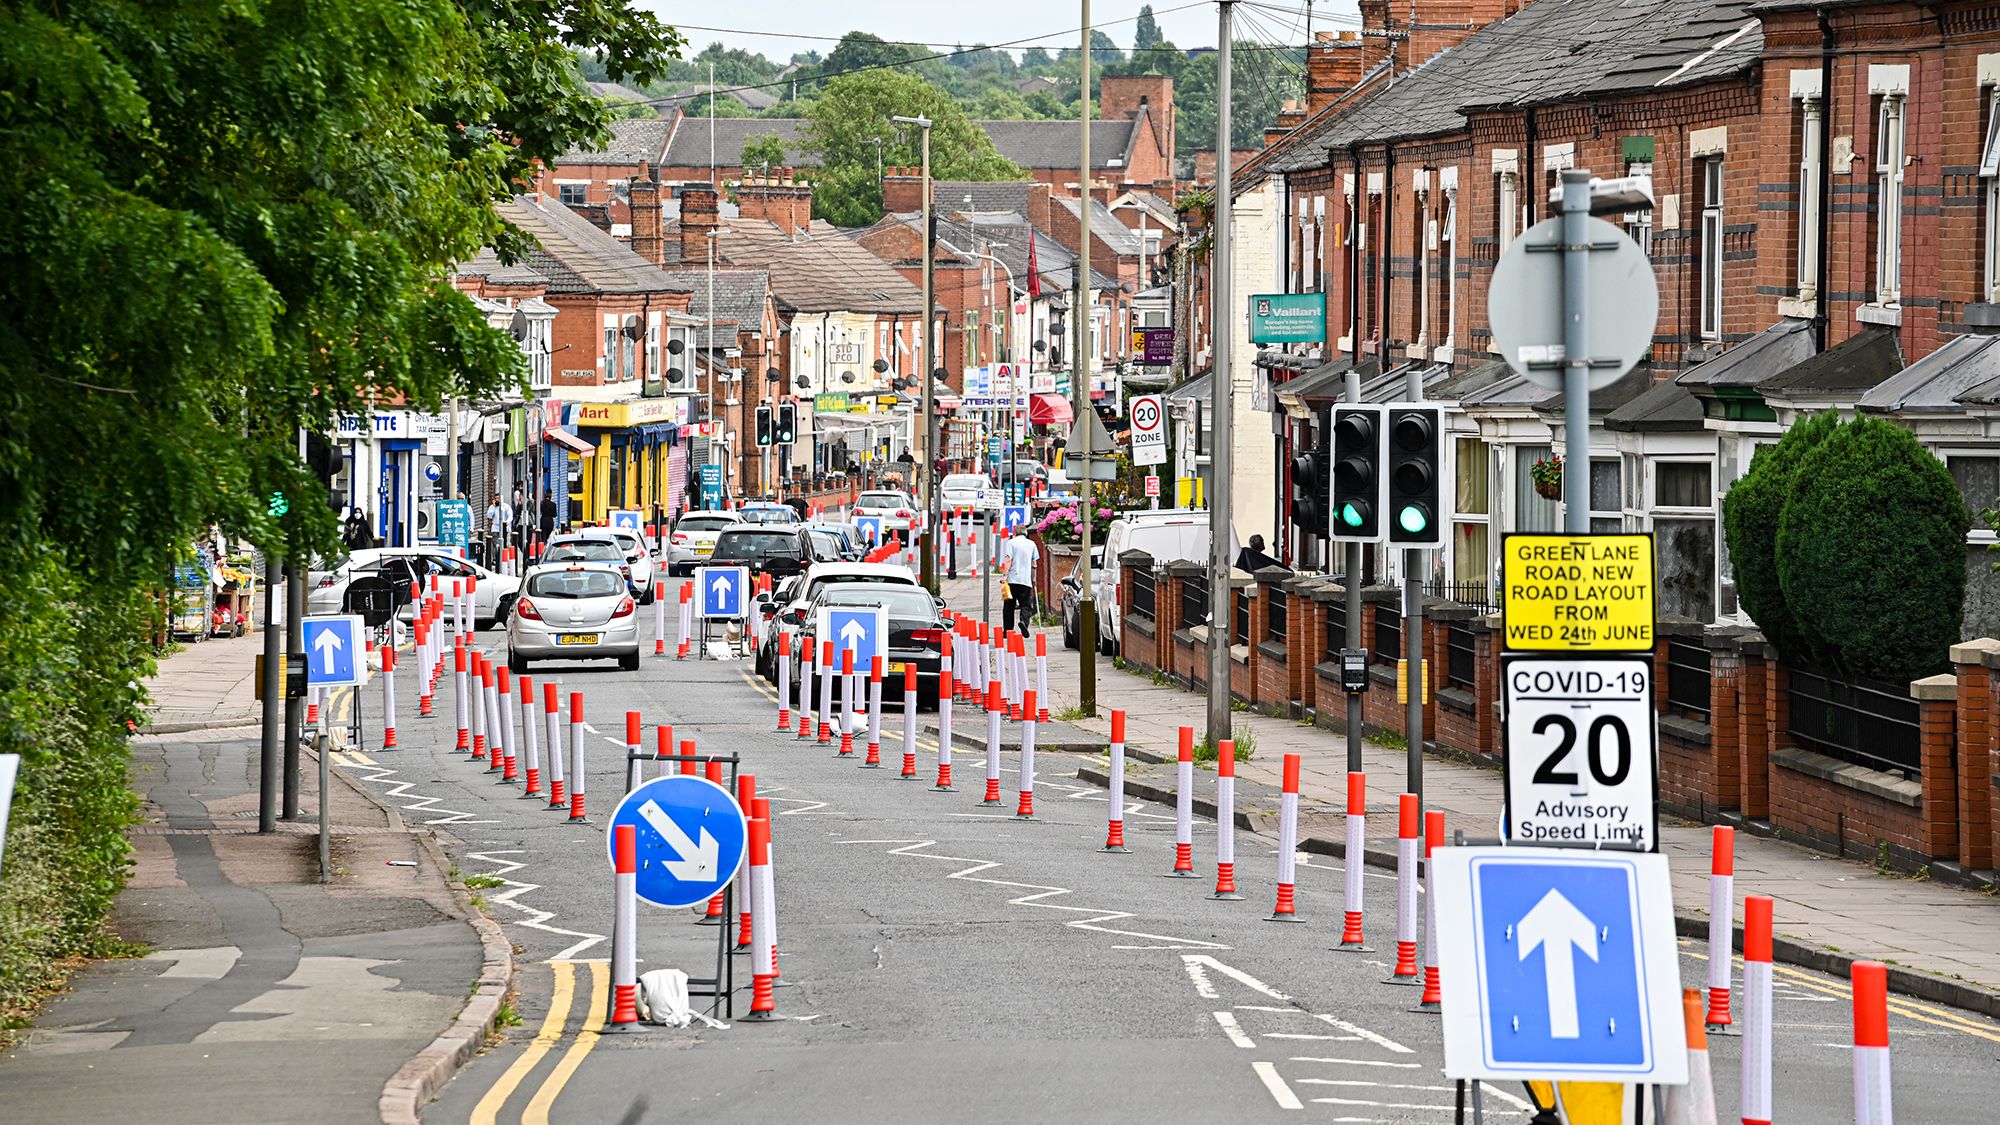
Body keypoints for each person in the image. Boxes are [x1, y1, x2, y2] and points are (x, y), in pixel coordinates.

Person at [1000, 530, 1041, 632]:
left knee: (1009, 606)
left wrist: (1004, 576)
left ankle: (1008, 630)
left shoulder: (1011, 543)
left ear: (1015, 533)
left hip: (1012, 580)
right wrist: (1033, 579)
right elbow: (1034, 564)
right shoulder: (1031, 544)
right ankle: (1024, 623)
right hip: (1025, 580)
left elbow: (1008, 559)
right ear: (1026, 533)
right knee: (1025, 605)